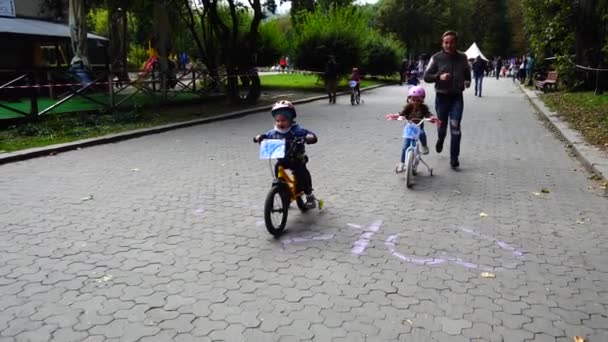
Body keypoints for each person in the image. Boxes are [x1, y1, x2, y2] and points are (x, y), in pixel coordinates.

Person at [253, 101, 318, 208]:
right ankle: (283, 191)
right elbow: (266, 135)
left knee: (302, 173)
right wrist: (259, 137)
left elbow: (307, 134)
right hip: (283, 160)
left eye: (283, 120)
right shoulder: (274, 132)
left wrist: (310, 137)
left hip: (296, 159)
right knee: (278, 169)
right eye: (278, 120)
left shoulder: (296, 130)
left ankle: (309, 194)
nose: (280, 123)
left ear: (290, 120)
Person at [423, 30, 471, 169]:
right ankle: (440, 139)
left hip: (457, 98)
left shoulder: (463, 58)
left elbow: (467, 74)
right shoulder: (436, 58)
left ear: (456, 43)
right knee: (442, 127)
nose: (449, 45)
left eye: (451, 42)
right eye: (446, 42)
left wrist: (467, 82)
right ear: (442, 43)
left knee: (455, 127)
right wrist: (439, 76)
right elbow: (426, 76)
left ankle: (454, 158)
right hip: (442, 97)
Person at [395, 86, 434, 171]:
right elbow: (402, 113)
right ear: (409, 99)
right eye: (413, 100)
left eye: (418, 100)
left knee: (422, 133)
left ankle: (424, 146)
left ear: (421, 100)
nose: (415, 102)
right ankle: (402, 163)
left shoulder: (423, 108)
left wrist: (431, 117)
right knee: (405, 146)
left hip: (418, 127)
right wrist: (397, 116)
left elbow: (427, 114)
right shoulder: (408, 107)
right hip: (409, 128)